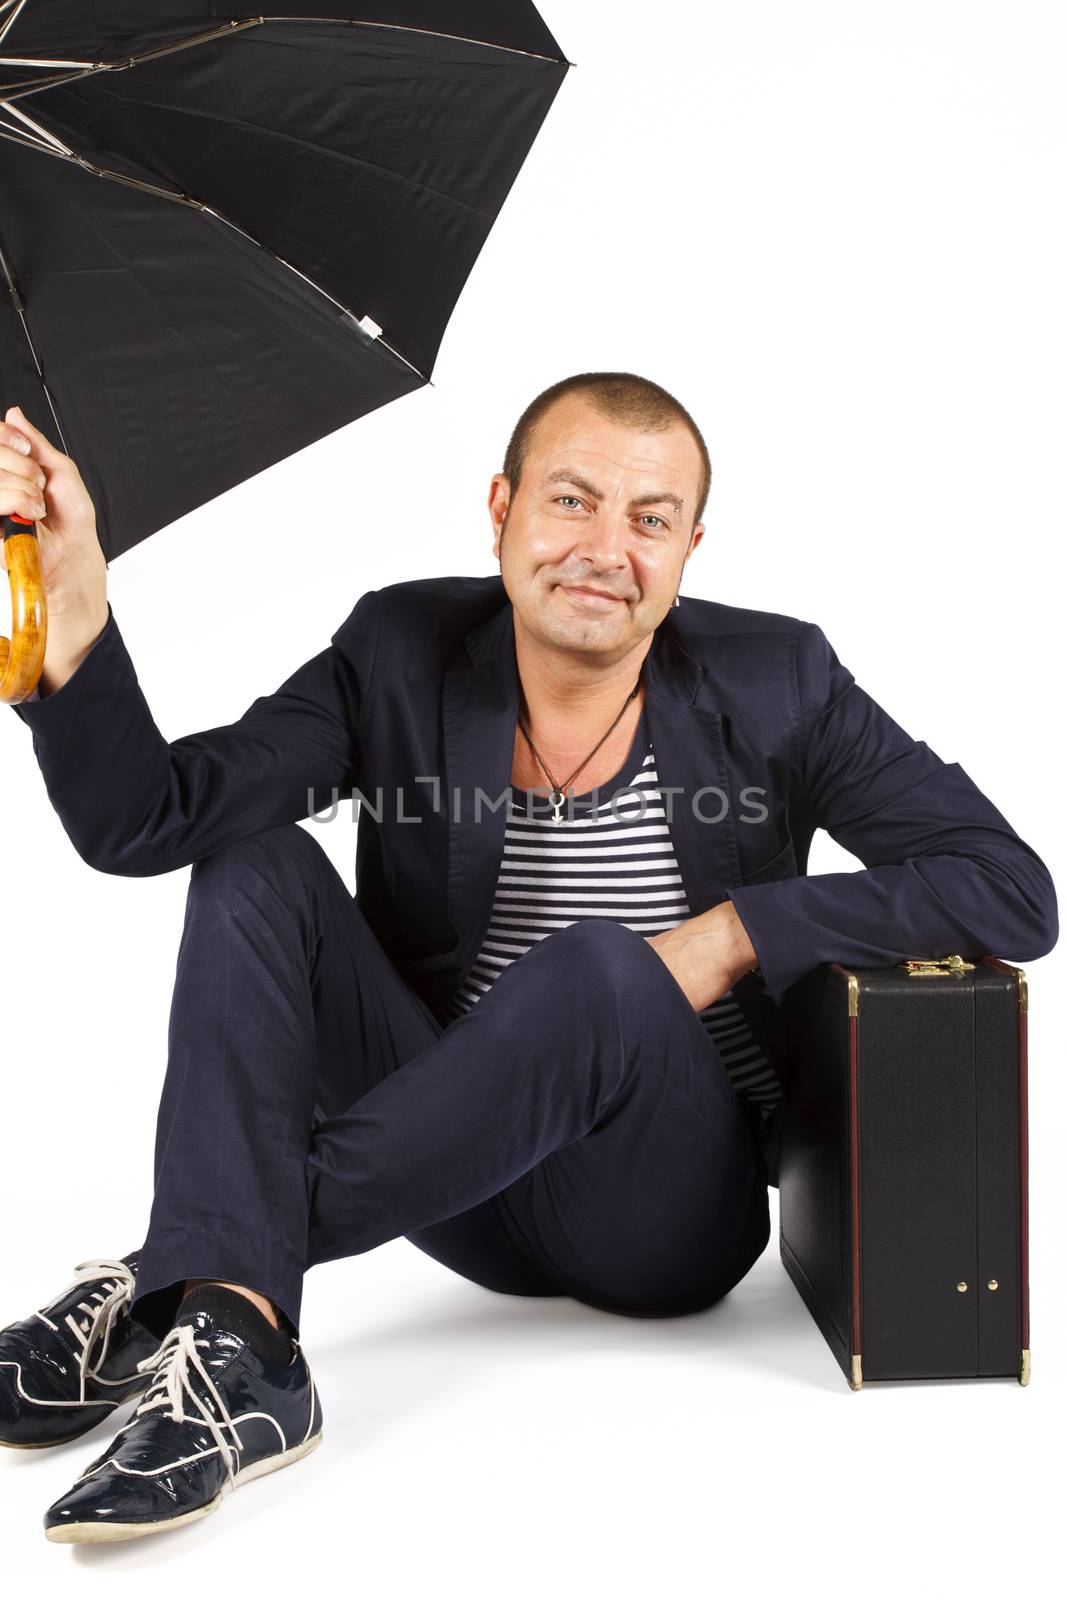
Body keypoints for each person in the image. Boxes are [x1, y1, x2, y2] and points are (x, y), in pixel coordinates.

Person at [0, 373, 1057, 1544]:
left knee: (604, 968)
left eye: (650, 519)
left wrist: (732, 935)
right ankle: (243, 1352)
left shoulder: (778, 682)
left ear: (689, 548)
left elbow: (1011, 888)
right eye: (570, 500)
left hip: (666, 1211)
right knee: (250, 860)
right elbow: (147, 819)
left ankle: (182, 1279)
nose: (607, 548)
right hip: (455, 1180)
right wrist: (74, 594)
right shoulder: (395, 651)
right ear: (498, 507)